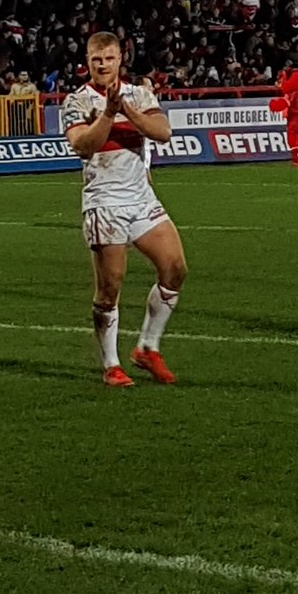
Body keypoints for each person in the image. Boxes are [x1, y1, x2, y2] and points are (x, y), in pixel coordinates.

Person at [63, 32, 188, 387]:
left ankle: (148, 347)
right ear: (88, 62)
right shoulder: (76, 101)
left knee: (175, 268)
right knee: (110, 287)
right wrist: (108, 113)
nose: (103, 65)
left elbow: (162, 132)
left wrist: (125, 108)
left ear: (120, 60)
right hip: (104, 201)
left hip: (141, 198)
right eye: (96, 59)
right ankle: (111, 365)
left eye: (109, 58)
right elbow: (83, 145)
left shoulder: (140, 95)